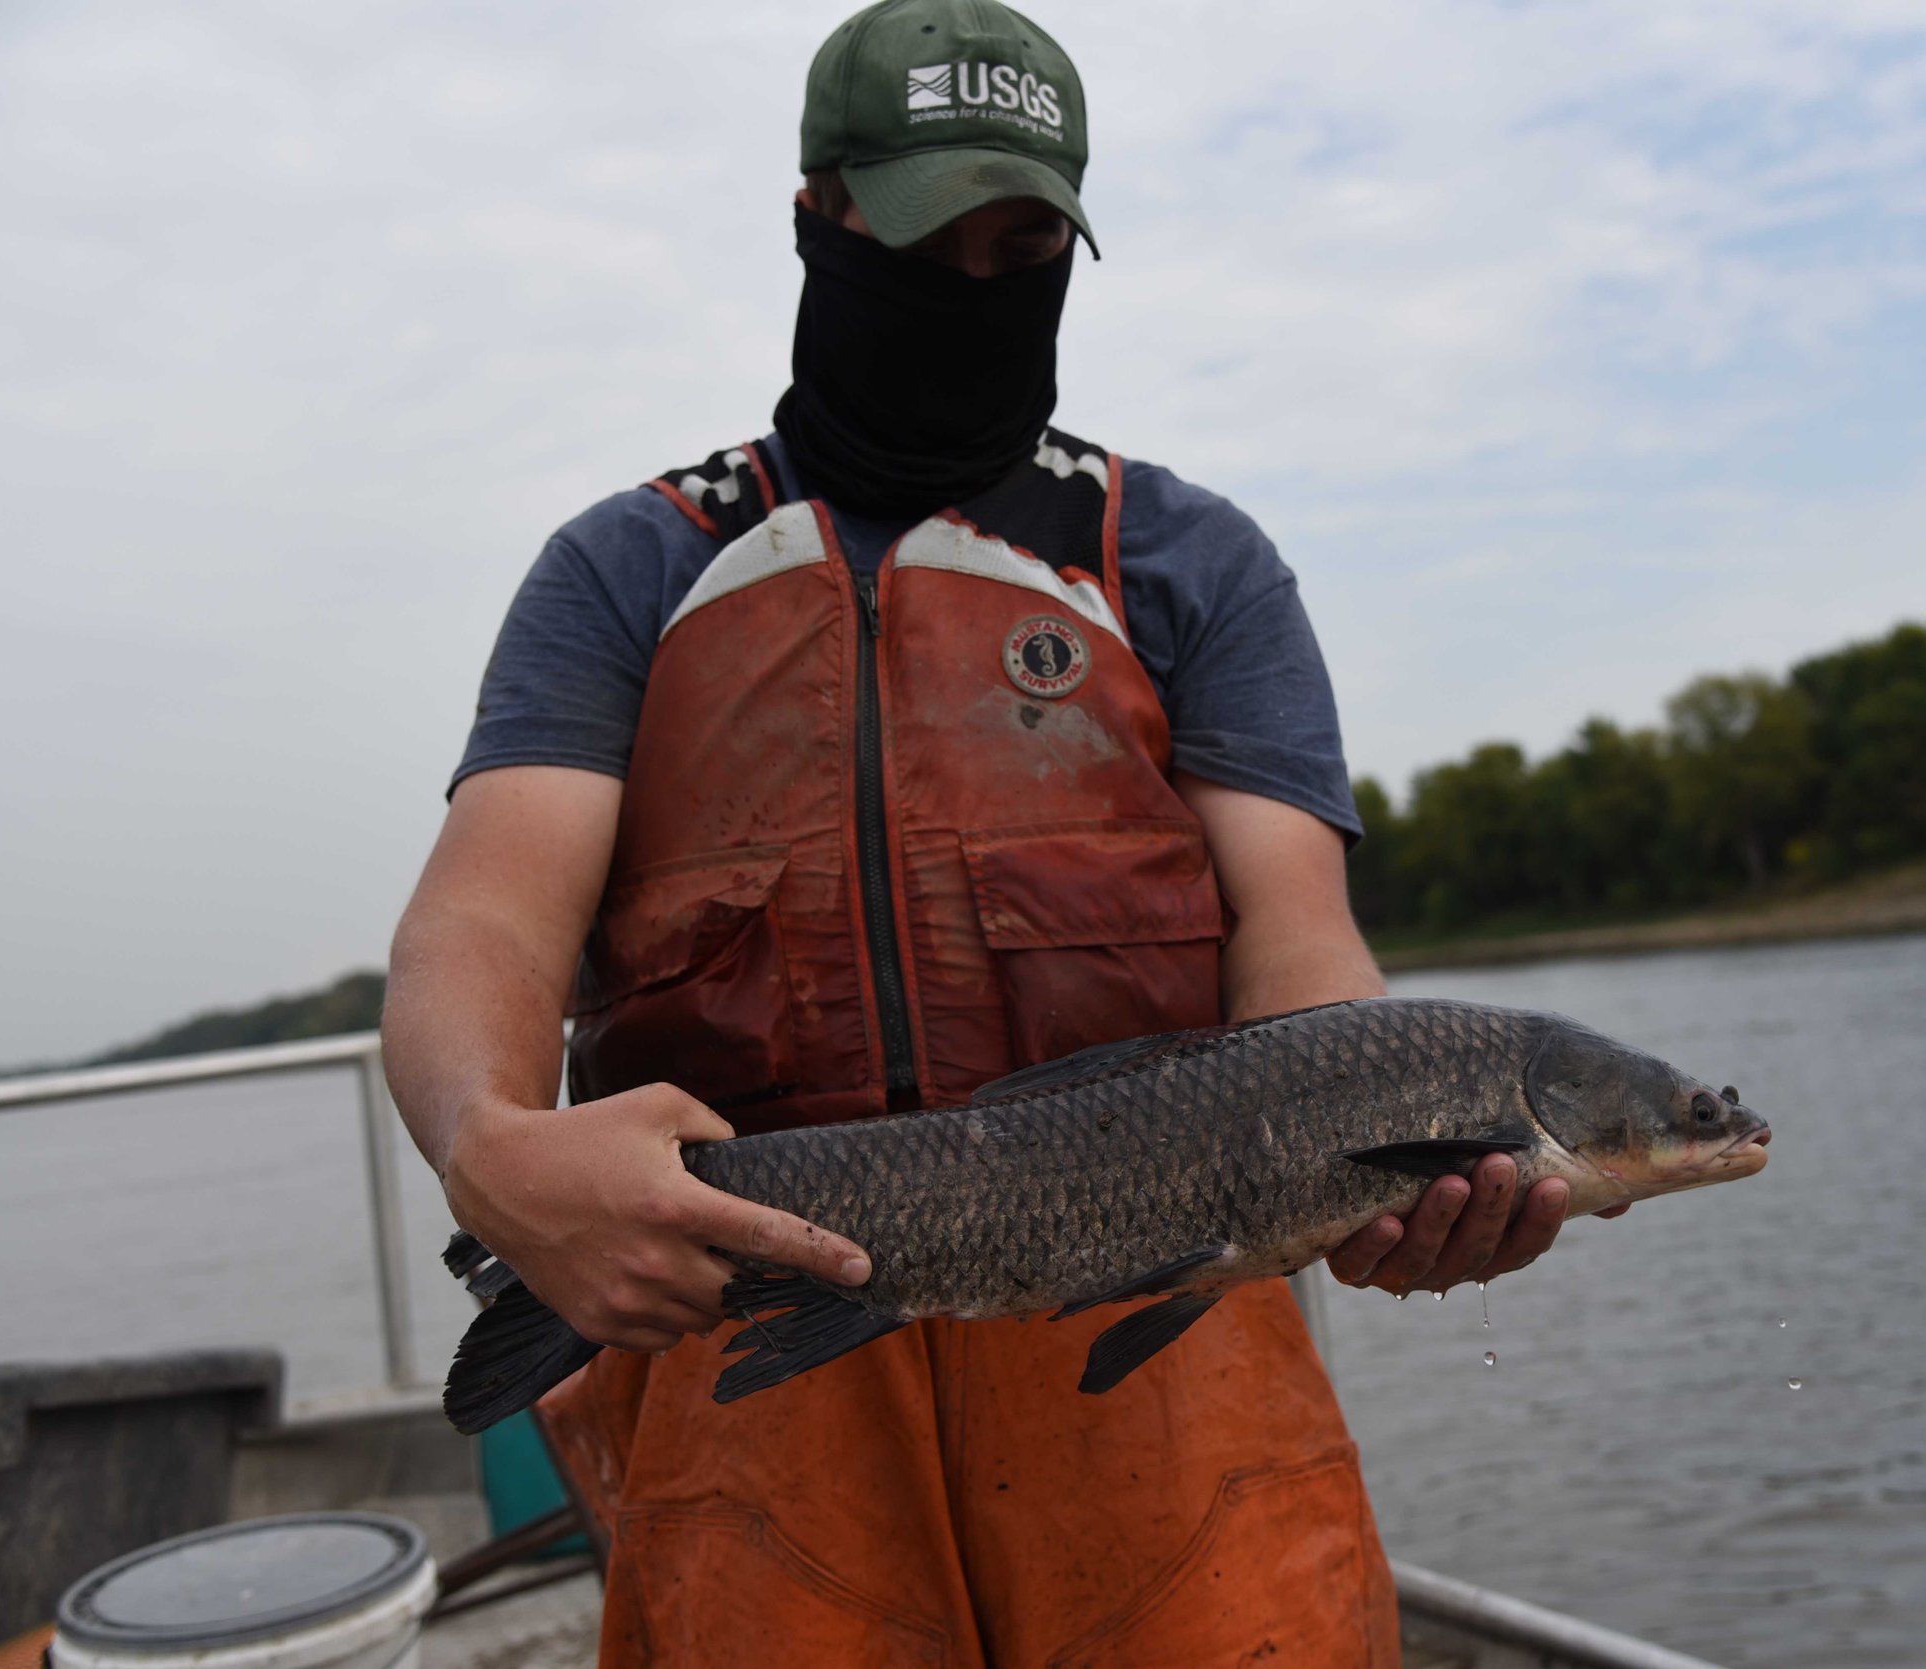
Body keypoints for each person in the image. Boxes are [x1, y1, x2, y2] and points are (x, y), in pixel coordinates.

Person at [382, 2, 1610, 1661]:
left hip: (1167, 1360)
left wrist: (1387, 1157)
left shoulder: (1186, 560)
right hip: (746, 1377)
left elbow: (1298, 934)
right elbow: (483, 930)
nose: (975, 282)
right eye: (924, 237)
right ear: (819, 220)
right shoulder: (633, 565)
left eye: (1023, 241)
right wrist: (490, 1143)